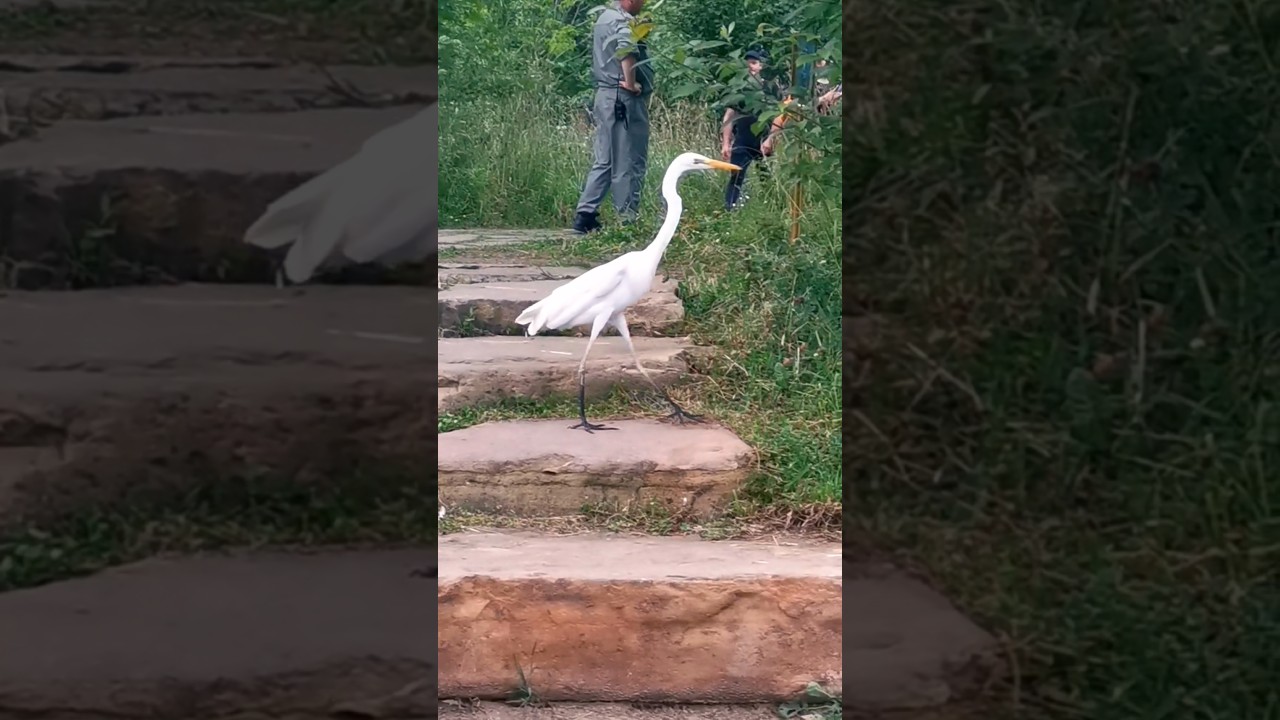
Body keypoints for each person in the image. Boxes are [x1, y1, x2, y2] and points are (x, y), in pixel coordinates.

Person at [571, 0, 653, 234]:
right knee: (628, 158)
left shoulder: (604, 18)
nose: (643, 3)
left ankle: (586, 214)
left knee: (606, 158)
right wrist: (631, 83)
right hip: (622, 98)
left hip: (606, 95)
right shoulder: (622, 21)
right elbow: (625, 50)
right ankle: (627, 219)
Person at [719, 49, 784, 211]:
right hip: (742, 139)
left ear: (762, 66)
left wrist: (771, 139)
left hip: (764, 141)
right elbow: (729, 116)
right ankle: (729, 211)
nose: (750, 66)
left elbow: (781, 115)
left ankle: (774, 209)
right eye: (747, 63)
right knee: (736, 176)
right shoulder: (739, 89)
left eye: (754, 63)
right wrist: (725, 143)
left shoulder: (771, 88)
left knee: (767, 178)